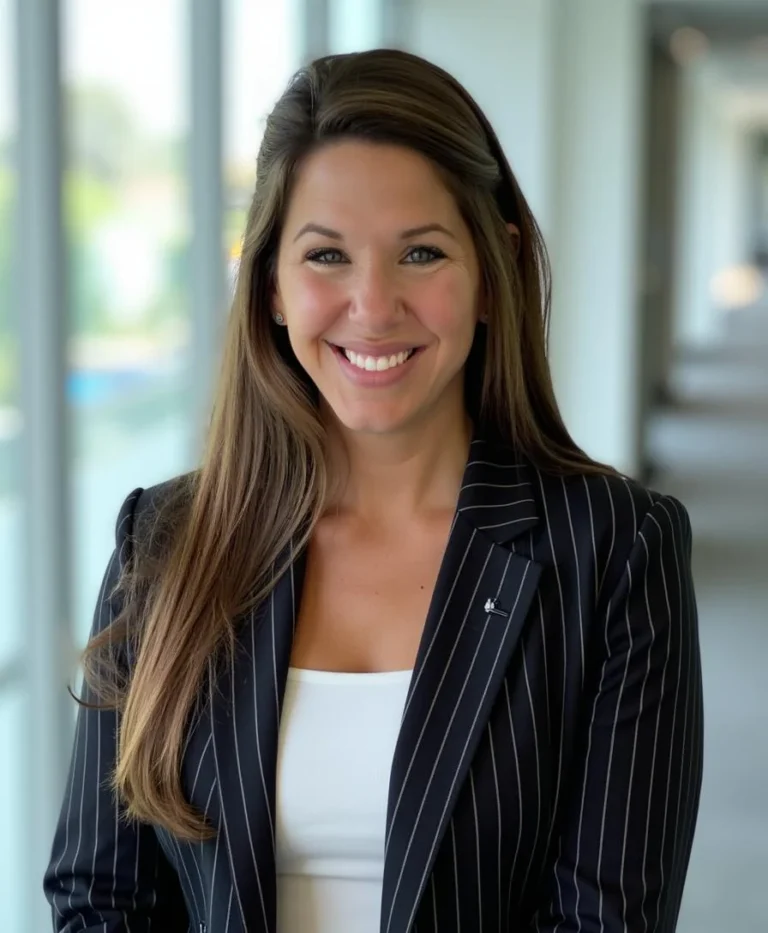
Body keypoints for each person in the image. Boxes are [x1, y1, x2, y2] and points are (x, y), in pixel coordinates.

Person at [43, 48, 704, 933]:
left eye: (421, 252)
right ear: (272, 283)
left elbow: (606, 919)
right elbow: (101, 897)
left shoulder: (613, 550)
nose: (373, 303)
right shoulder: (165, 543)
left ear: (490, 271)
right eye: (327, 256)